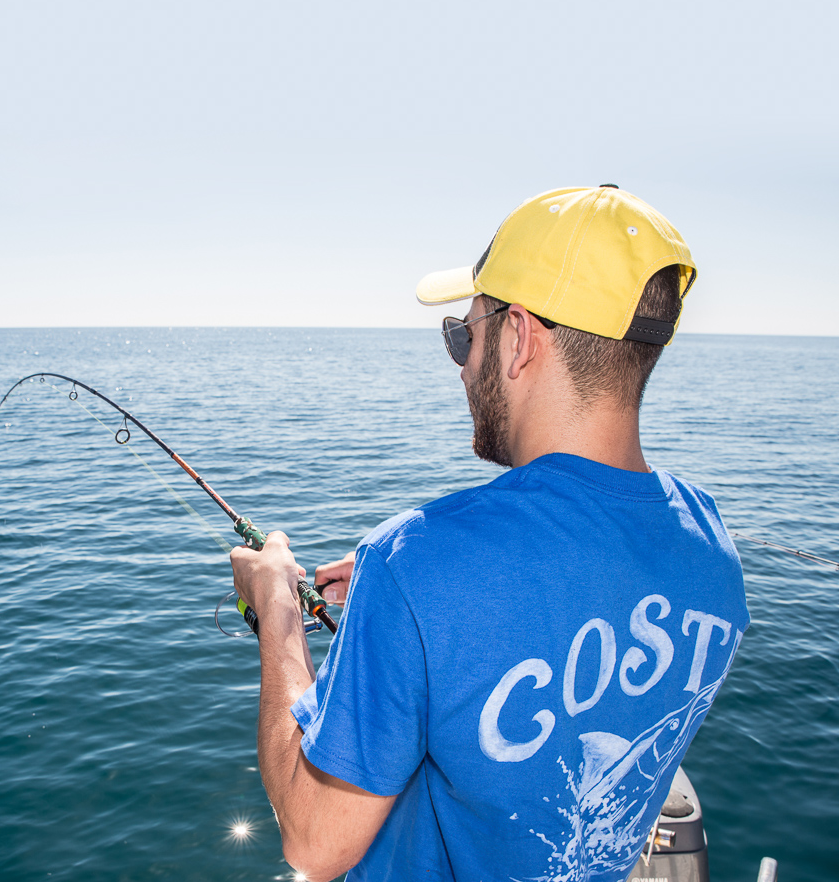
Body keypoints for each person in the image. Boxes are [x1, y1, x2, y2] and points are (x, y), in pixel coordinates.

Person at [230, 185, 749, 882]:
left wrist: (278, 614)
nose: (464, 363)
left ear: (521, 337)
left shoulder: (415, 561)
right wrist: (412, 608)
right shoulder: (712, 543)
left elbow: (315, 844)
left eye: (463, 335)